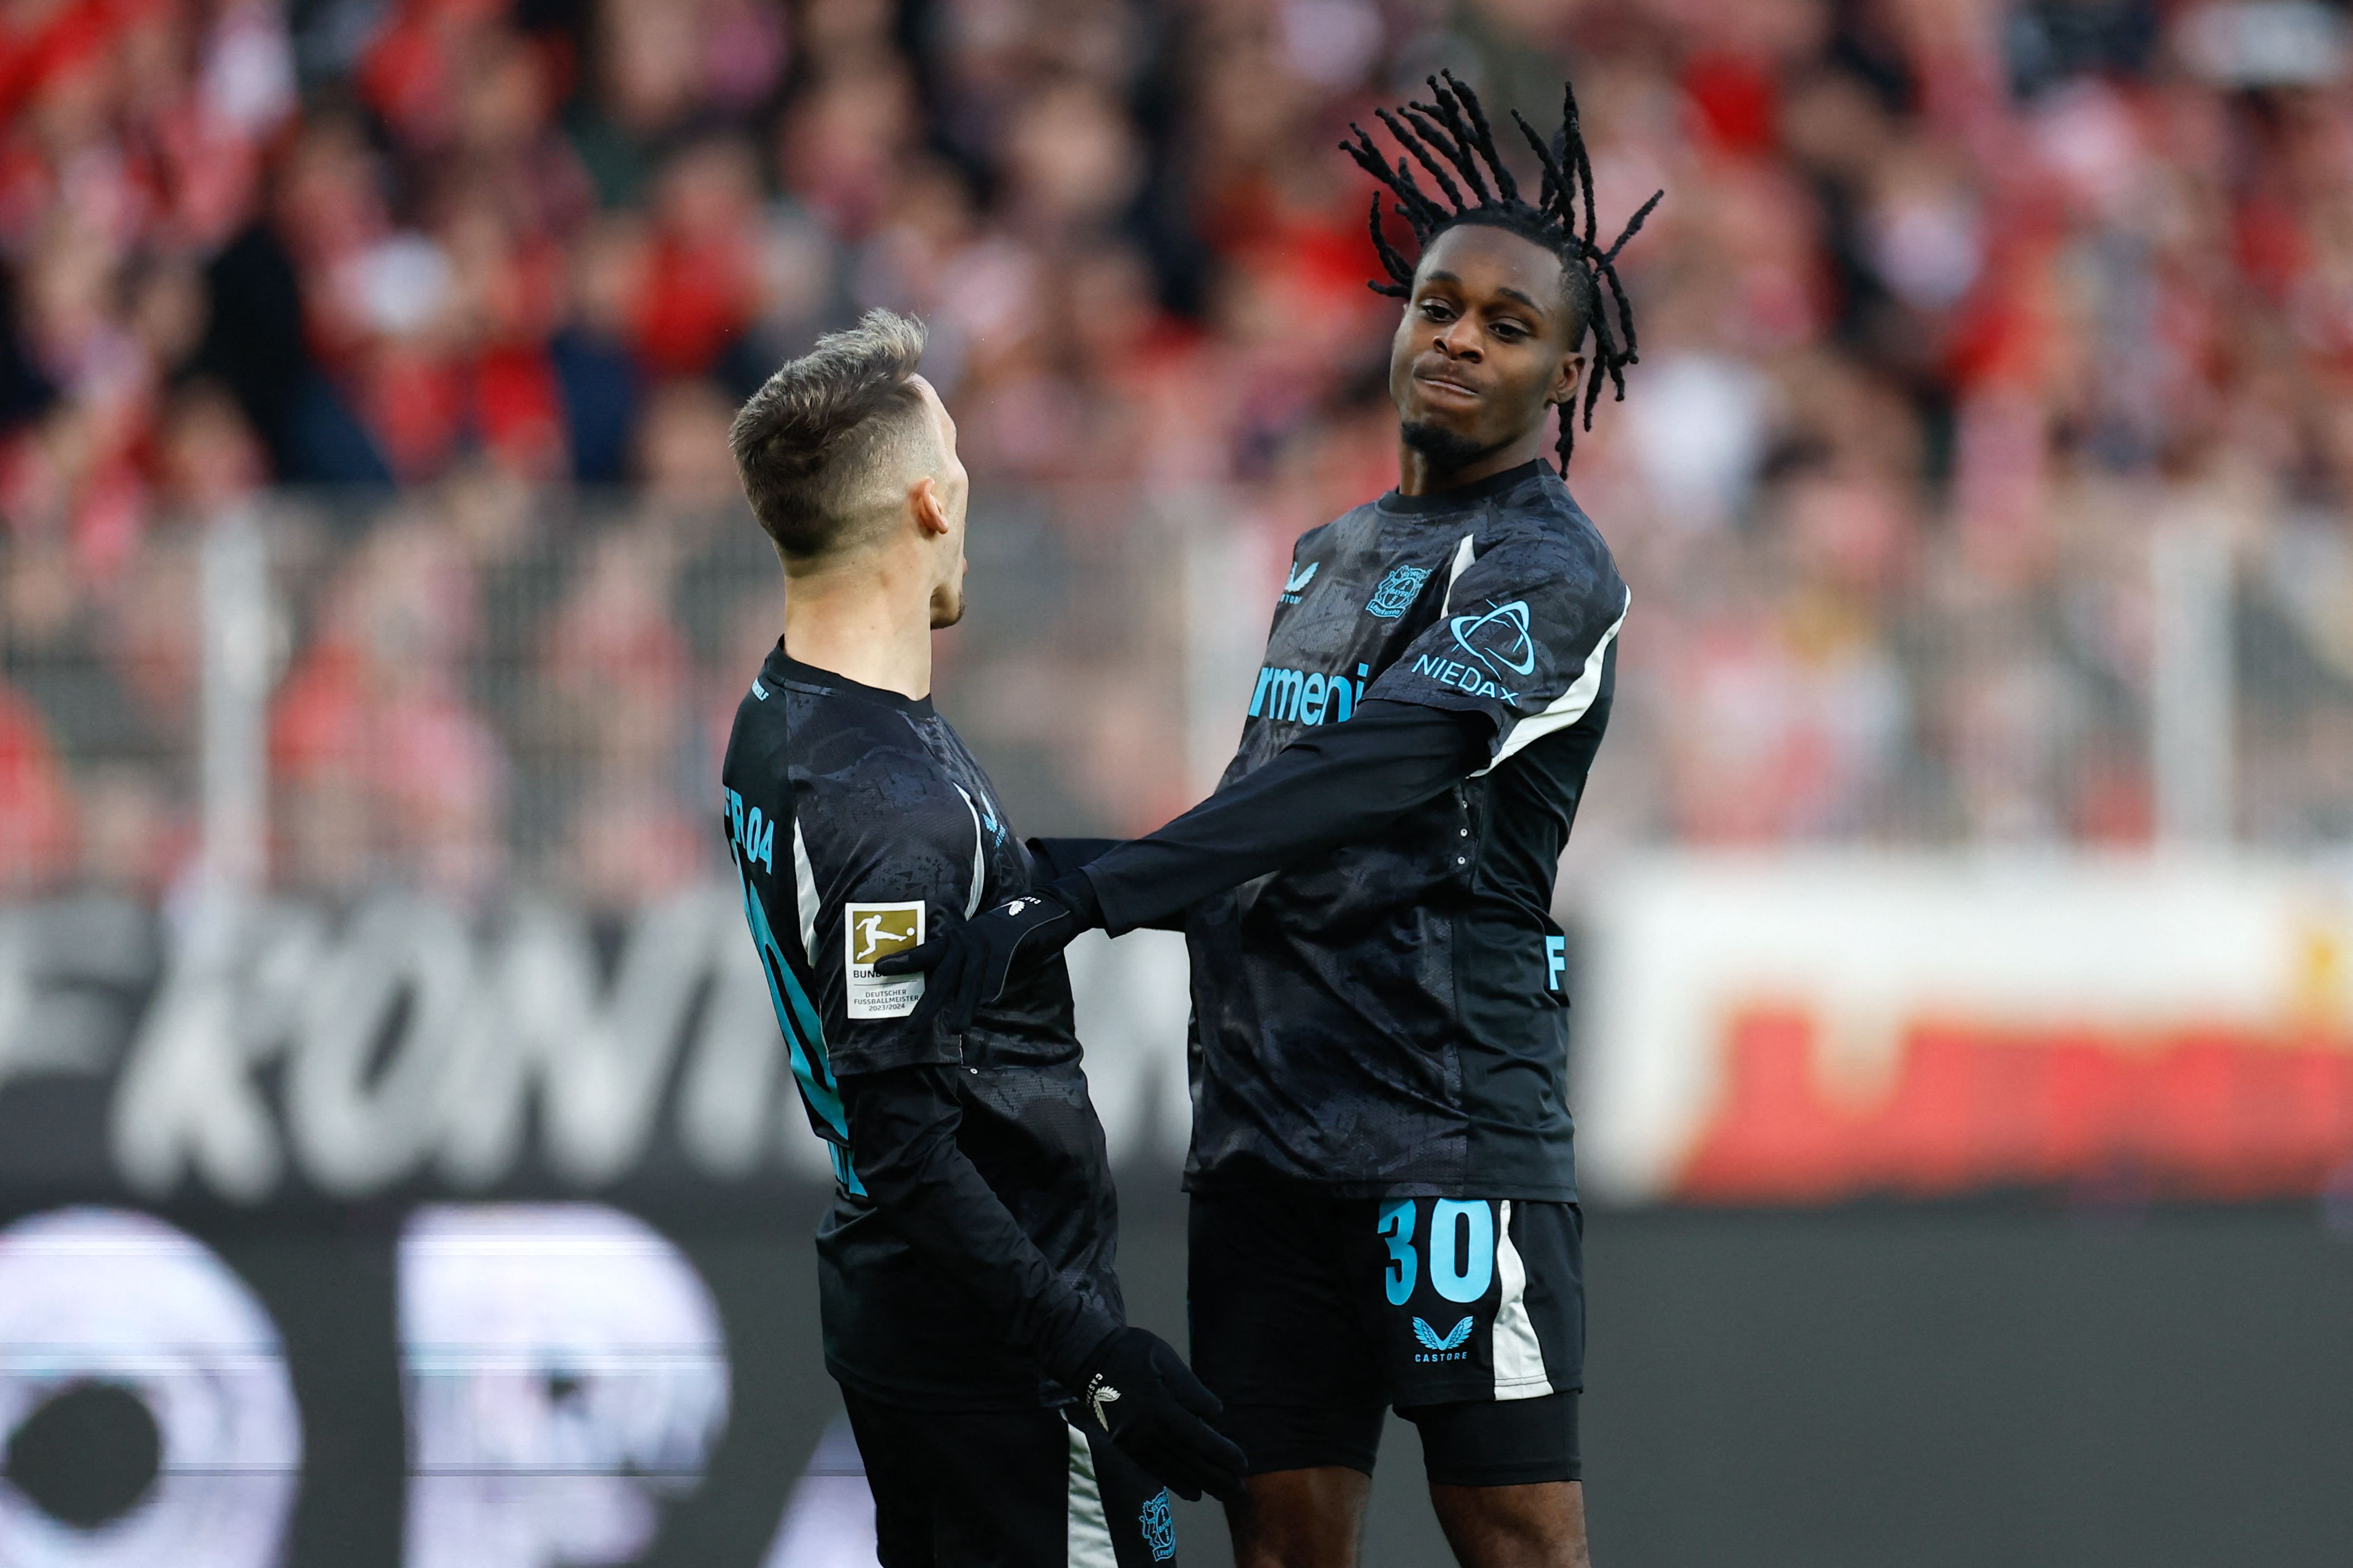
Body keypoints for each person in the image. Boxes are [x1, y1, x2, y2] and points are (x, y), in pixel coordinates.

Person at [880, 75, 1658, 1568]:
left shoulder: (1549, 569)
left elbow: (1377, 770)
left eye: (1507, 326)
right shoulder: (1331, 551)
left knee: (1513, 1540)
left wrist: (1107, 884)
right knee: (1279, 1541)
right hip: (1262, 1141)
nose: (1456, 338)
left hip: (1445, 1132)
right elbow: (1267, 803)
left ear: (1564, 374)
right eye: (1438, 304)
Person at [719, 308, 1245, 1566]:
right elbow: (905, 1140)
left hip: (916, 1323)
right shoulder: (888, 805)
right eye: (959, 469)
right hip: (1003, 1359)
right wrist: (1092, 1356)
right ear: (922, 506)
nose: (971, 496)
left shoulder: (780, 711)